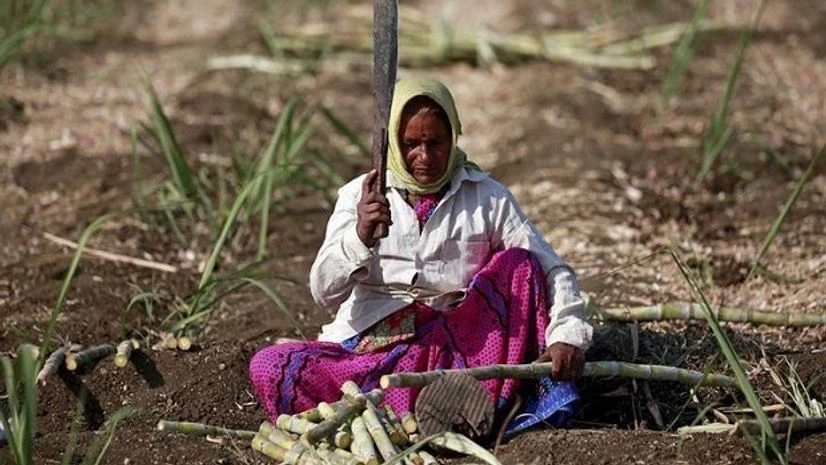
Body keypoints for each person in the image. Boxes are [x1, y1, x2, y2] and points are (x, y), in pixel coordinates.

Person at [249, 77, 592, 434]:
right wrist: (360, 235)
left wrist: (566, 333)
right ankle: (427, 409)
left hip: (462, 347)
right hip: (374, 355)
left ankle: (453, 404)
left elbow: (553, 269)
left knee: (519, 264)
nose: (424, 157)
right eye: (411, 144)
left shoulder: (487, 197)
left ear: (454, 137)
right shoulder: (359, 197)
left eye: (436, 143)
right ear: (394, 143)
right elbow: (323, 293)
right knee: (271, 366)